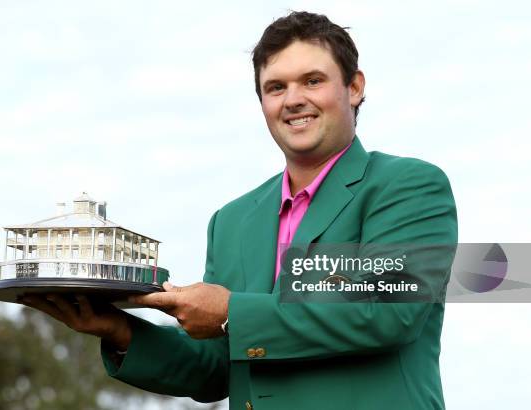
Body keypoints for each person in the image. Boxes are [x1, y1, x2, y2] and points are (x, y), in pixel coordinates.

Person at [22, 11, 457, 410]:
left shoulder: (410, 187)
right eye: (276, 87)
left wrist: (232, 312)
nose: (293, 99)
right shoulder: (231, 221)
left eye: (312, 80)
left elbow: (387, 310)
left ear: (355, 87)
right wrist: (118, 329)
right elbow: (216, 368)